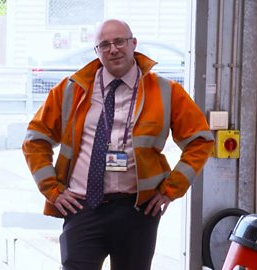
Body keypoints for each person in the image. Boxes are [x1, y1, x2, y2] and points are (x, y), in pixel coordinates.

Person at [22, 19, 214, 270]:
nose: (113, 49)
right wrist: (51, 189)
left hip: (137, 211)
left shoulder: (165, 91)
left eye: (120, 41)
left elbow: (200, 140)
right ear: (96, 51)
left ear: (133, 44)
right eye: (104, 44)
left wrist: (171, 189)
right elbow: (35, 139)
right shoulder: (71, 90)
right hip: (82, 207)